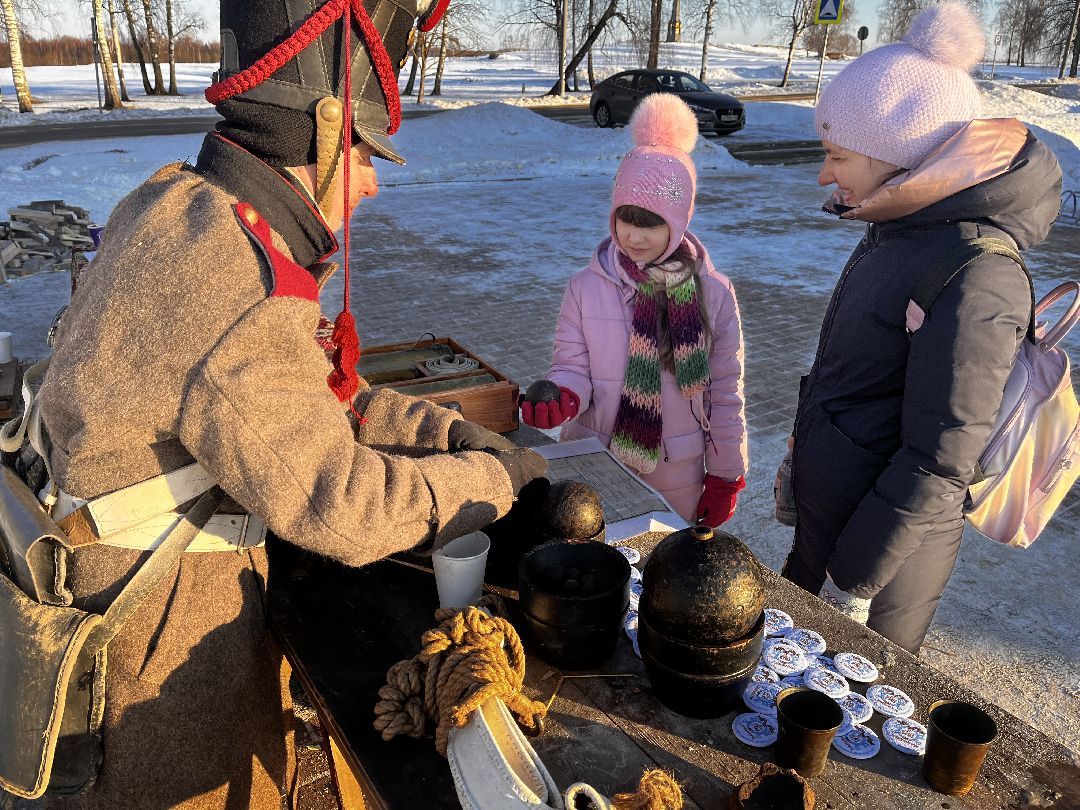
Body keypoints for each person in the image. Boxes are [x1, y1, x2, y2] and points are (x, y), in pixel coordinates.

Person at [16, 0, 546, 807]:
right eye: (366, 152)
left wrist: (461, 439)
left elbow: (319, 398)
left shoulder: (180, 206)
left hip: (108, 592)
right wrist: (493, 486)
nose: (369, 181)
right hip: (158, 666)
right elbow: (346, 507)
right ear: (325, 133)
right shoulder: (237, 284)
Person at [783, 1, 1062, 654]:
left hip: (879, 569)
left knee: (843, 716)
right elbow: (856, 376)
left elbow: (940, 459)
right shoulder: (898, 230)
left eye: (836, 155)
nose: (824, 174)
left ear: (895, 154)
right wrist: (802, 460)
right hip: (836, 526)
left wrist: (850, 582)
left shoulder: (975, 273)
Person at [521, 93, 748, 526]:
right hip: (593, 461)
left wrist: (725, 475)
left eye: (651, 223)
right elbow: (572, 365)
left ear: (679, 220)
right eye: (626, 219)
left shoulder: (712, 294)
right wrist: (563, 397)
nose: (635, 237)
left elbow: (724, 392)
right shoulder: (585, 288)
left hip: (677, 471)